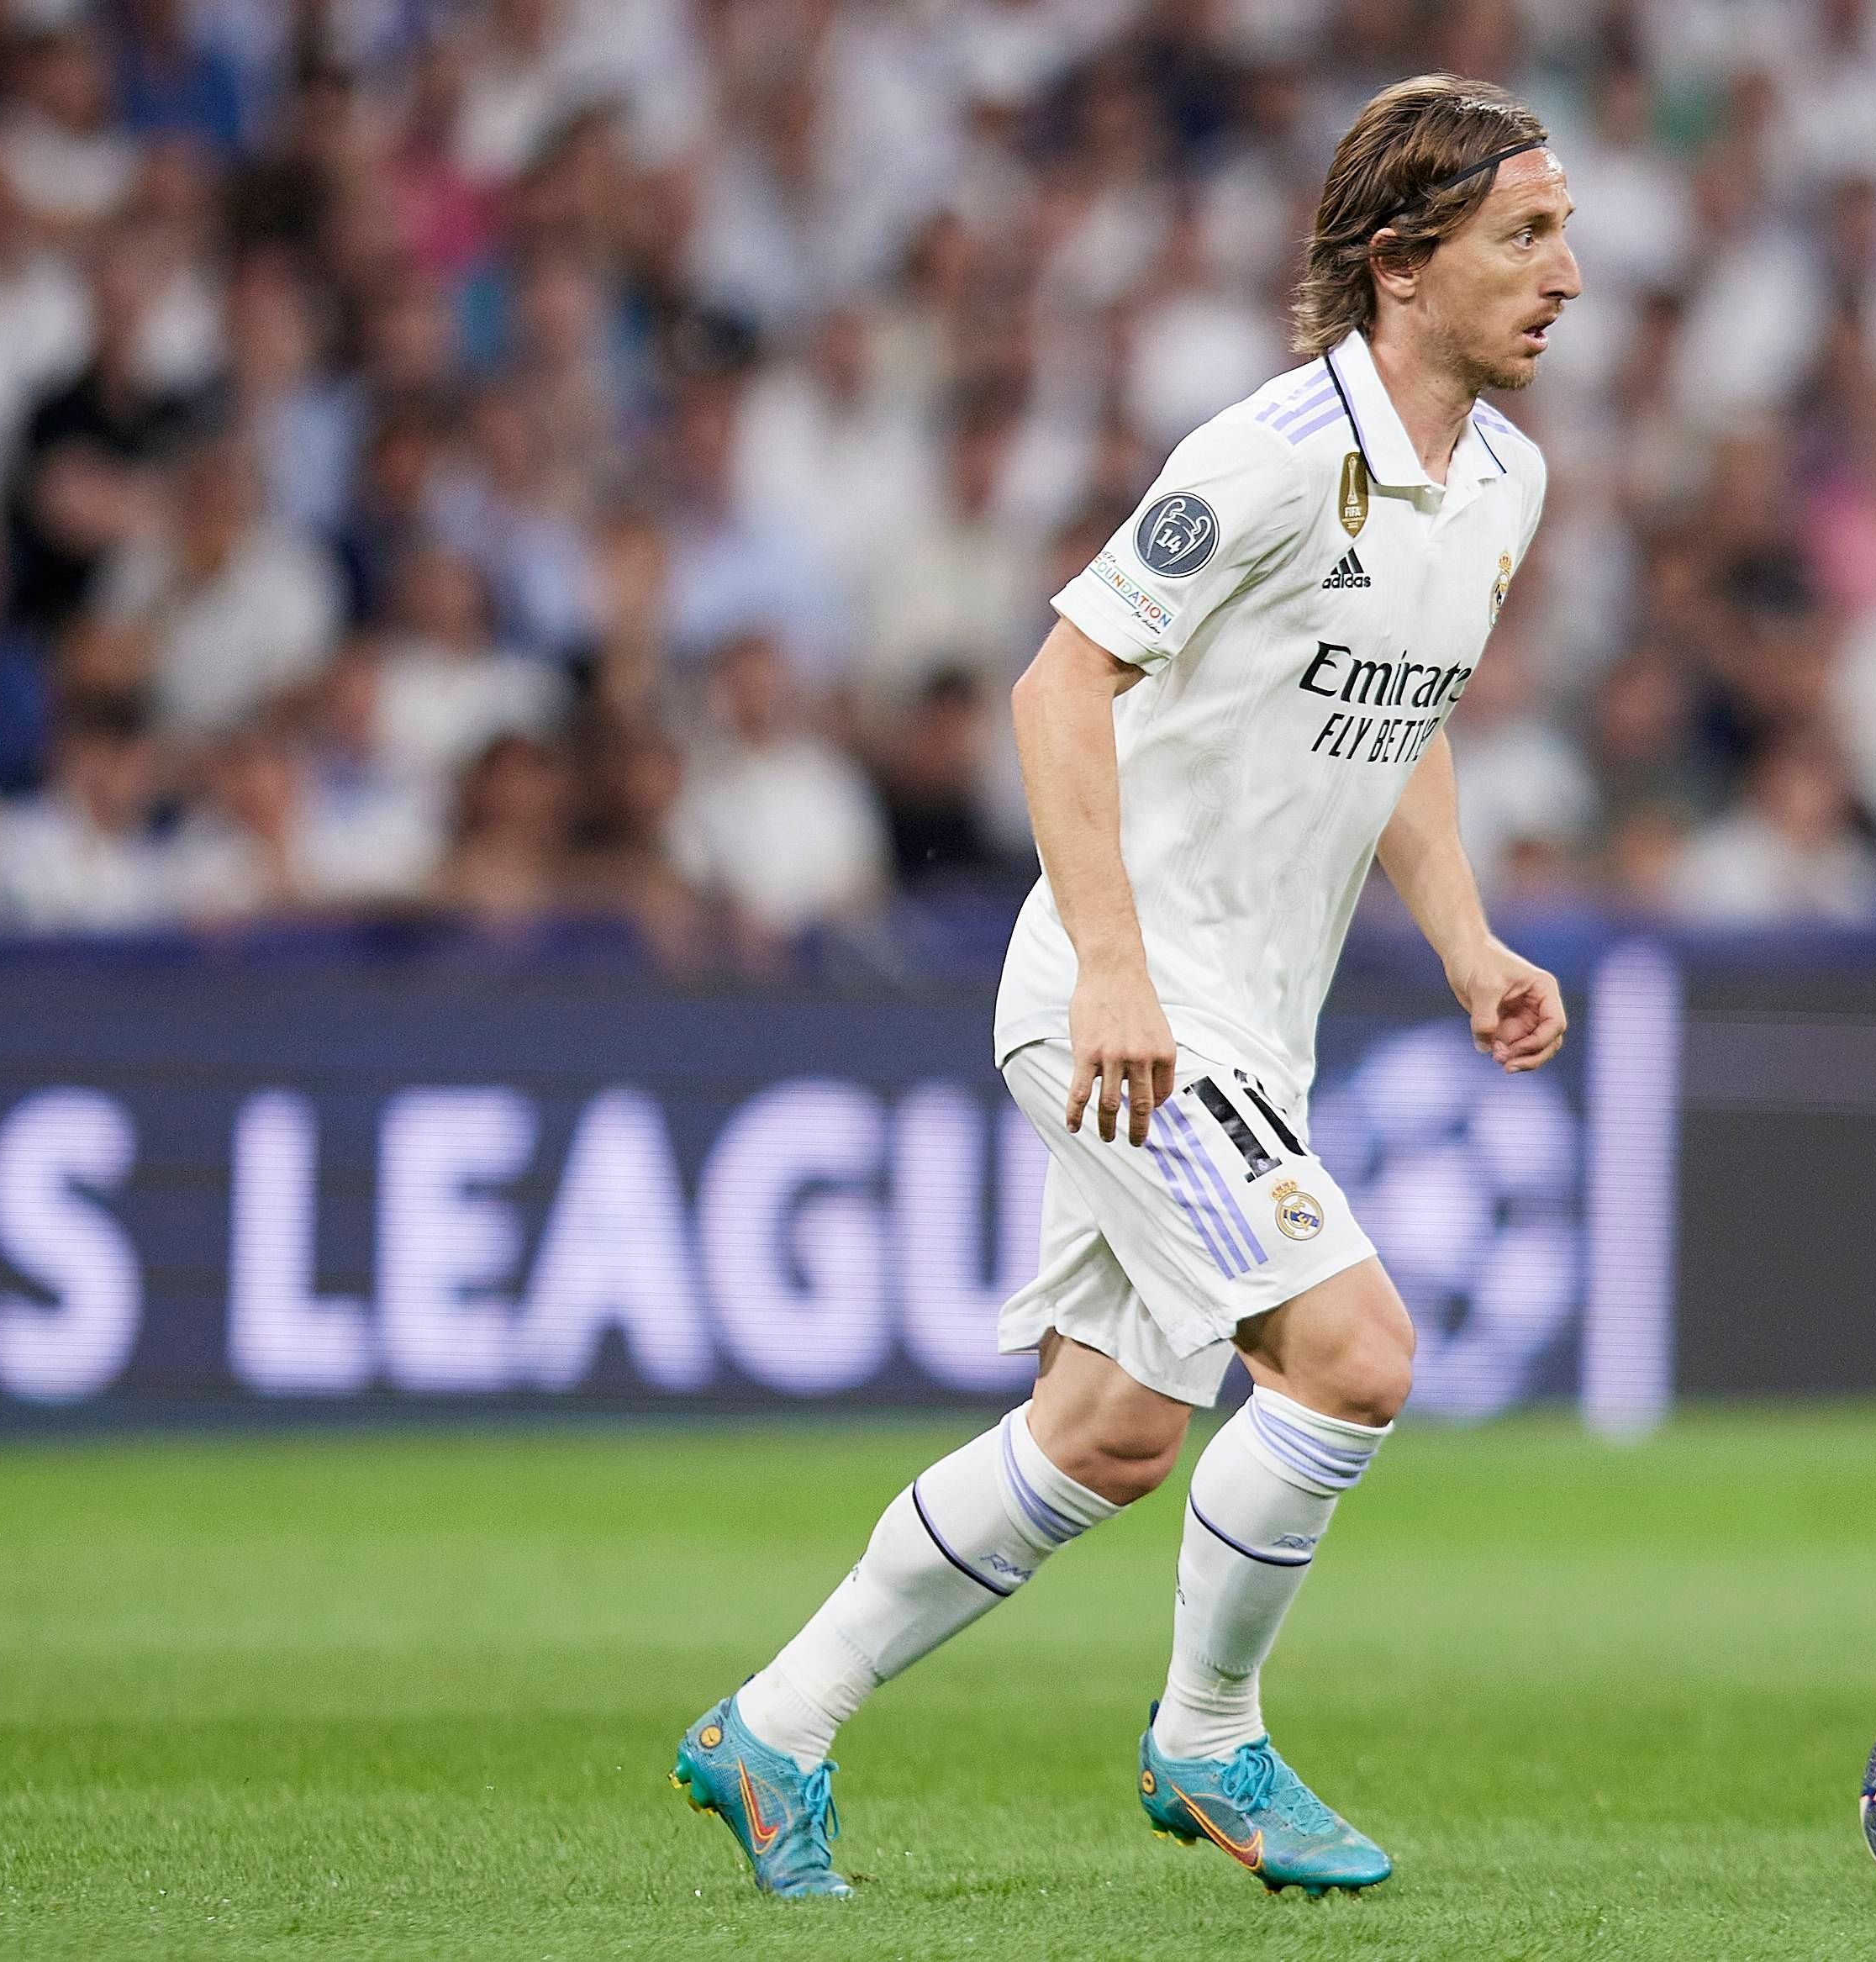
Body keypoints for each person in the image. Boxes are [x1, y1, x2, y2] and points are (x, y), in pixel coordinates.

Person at [671, 74, 1579, 1901]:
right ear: (1403, 266)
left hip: (1248, 1023)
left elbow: (1398, 720)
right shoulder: (1259, 453)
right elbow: (1055, 688)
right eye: (1526, 236)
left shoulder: (1501, 480)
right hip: (1126, 1015)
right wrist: (1108, 969)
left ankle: (769, 1728)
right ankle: (1210, 1741)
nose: (1567, 275)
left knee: (1106, 1432)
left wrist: (1466, 938)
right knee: (1355, 1356)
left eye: (1563, 233)